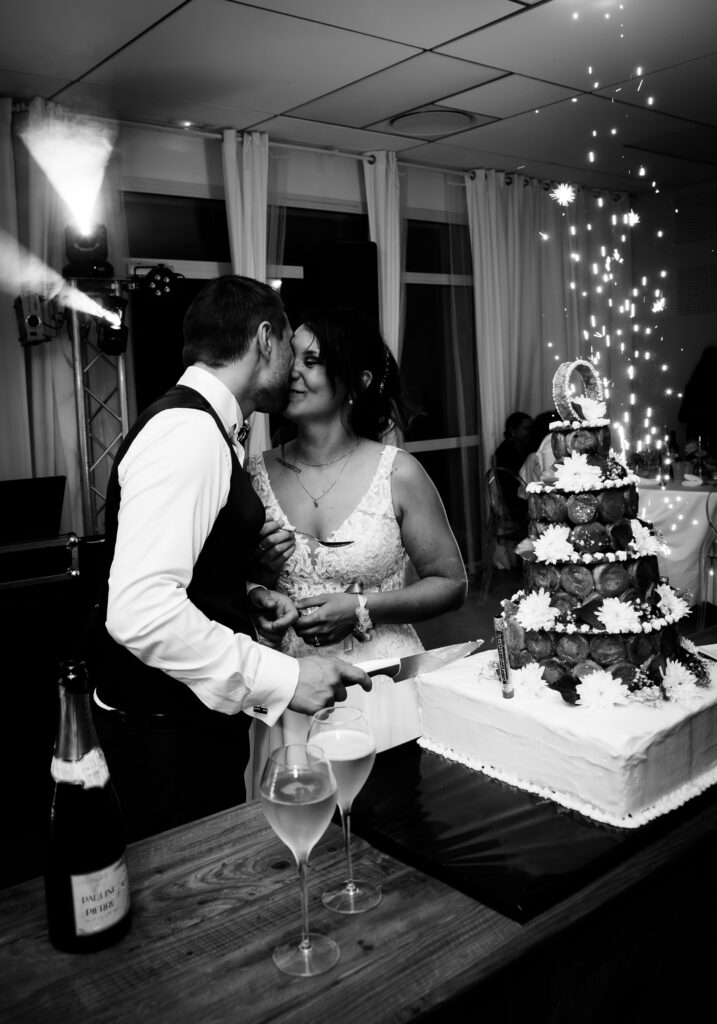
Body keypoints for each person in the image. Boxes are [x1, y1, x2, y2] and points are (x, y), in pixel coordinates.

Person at [88, 276, 370, 842]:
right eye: (288, 344)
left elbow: (186, 574)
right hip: (164, 742)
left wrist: (246, 596)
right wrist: (285, 678)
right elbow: (140, 609)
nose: (292, 365)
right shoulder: (188, 434)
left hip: (184, 729)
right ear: (265, 339)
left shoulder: (208, 430)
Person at [247, 307, 467, 763]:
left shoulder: (398, 472)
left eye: (312, 361)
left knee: (387, 804)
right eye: (291, 358)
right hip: (291, 690)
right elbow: (227, 586)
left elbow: (451, 583)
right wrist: (259, 581)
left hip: (381, 690)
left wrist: (362, 608)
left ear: (359, 382)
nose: (292, 372)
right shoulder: (252, 474)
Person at [492, 411, 533, 532]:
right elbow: (509, 482)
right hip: (514, 500)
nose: (530, 432)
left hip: (522, 495)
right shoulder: (505, 450)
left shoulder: (526, 447)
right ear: (513, 430)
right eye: (526, 429)